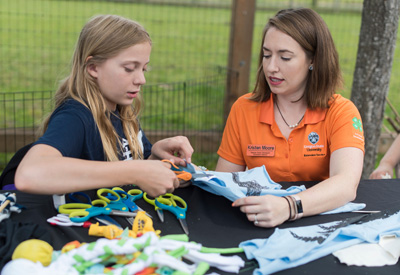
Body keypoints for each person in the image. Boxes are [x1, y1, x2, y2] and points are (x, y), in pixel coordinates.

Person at [216, 8, 365, 228]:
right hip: (258, 223)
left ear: (313, 60)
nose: (271, 67)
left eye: (285, 57)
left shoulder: (341, 112)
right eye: (266, 55)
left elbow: (345, 184)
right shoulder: (243, 109)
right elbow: (224, 183)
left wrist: (287, 207)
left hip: (321, 223)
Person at [15, 15, 193, 197]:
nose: (142, 80)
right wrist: (135, 171)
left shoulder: (123, 112)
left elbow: (134, 165)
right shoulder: (75, 117)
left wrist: (155, 157)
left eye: (144, 68)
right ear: (93, 67)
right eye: (129, 68)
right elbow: (29, 175)